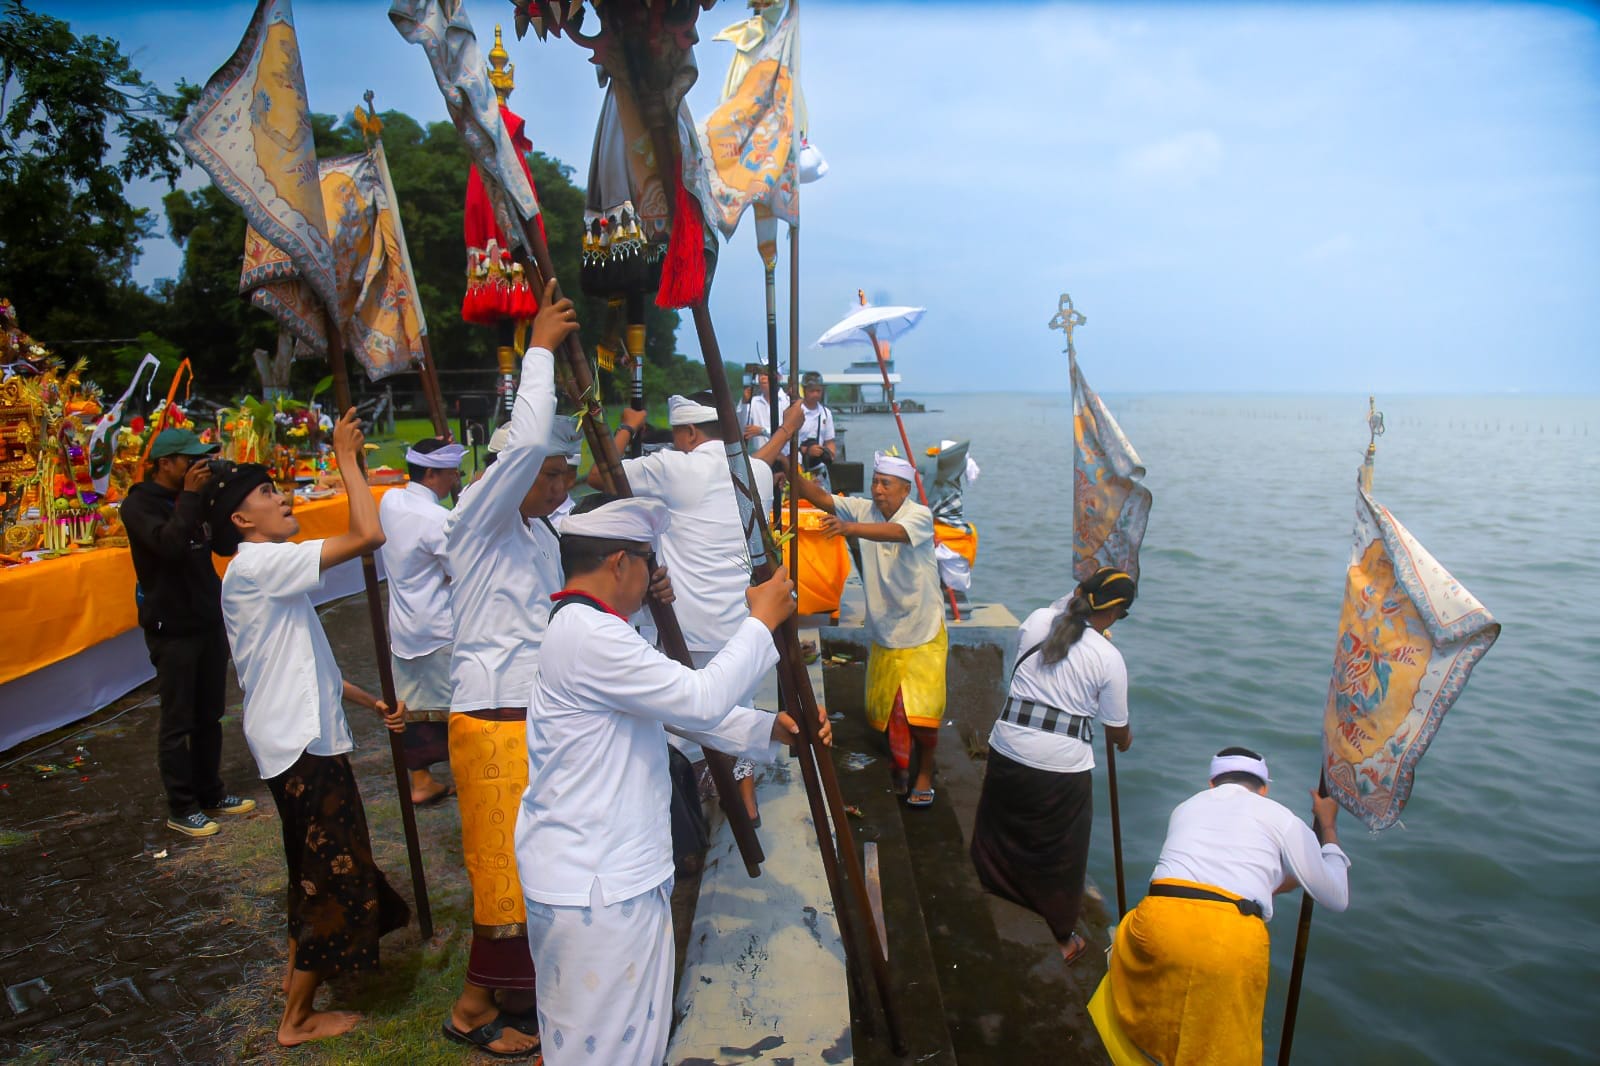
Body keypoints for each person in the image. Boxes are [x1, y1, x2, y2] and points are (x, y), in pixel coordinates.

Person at [516, 495, 827, 1066]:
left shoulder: (590, 628)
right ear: (619, 563)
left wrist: (766, 729)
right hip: (598, 881)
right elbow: (699, 695)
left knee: (617, 1039)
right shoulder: (591, 635)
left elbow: (673, 707)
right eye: (648, 562)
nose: (654, 579)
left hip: (603, 871)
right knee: (608, 1048)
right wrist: (761, 620)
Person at [201, 410, 410, 1048]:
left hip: (294, 737)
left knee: (311, 868)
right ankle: (296, 1018)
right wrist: (347, 459)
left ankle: (296, 979)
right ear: (241, 519)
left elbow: (302, 659)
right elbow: (369, 534)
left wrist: (368, 700)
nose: (283, 498)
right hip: (299, 745)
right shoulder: (260, 564)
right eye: (267, 493)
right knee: (330, 874)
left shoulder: (263, 572)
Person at [437, 280, 578, 1058]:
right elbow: (523, 443)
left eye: (565, 476)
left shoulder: (541, 536)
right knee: (501, 871)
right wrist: (539, 353)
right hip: (491, 715)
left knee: (529, 866)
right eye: (550, 475)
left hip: (532, 713)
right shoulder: (479, 522)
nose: (560, 487)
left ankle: (516, 993)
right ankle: (470, 1007)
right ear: (508, 476)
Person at [594, 392, 801, 823]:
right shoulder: (757, 474)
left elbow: (599, 475)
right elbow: (757, 460)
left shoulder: (674, 468)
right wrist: (786, 431)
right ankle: (742, 798)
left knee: (684, 724)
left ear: (689, 433)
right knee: (735, 711)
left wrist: (628, 426)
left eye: (676, 436)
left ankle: (689, 812)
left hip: (689, 627)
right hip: (749, 623)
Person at [1089, 748, 1352, 1066]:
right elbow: (1336, 896)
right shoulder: (1282, 817)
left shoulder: (1185, 807)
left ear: (1212, 783)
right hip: (1229, 939)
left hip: (1158, 918)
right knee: (1223, 1049)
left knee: (1150, 1021)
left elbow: (1221, 876)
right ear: (1264, 789)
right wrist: (1328, 828)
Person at [970, 567, 1136, 965]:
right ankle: (1062, 938)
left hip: (1007, 746)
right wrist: (1126, 741)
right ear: (1113, 614)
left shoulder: (1037, 621)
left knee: (1003, 821)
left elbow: (1062, 614)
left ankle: (995, 883)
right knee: (1060, 850)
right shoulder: (1108, 657)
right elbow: (1117, 733)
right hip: (1060, 767)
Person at [122, 426, 255, 837]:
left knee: (210, 715)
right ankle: (182, 807)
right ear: (165, 464)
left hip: (207, 619)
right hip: (172, 628)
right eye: (190, 460)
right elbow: (170, 546)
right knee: (178, 722)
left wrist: (227, 497)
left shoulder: (192, 498)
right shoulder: (139, 505)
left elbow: (223, 547)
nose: (198, 466)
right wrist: (193, 498)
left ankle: (211, 791)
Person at [793, 450, 947, 806]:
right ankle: (899, 767)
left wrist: (849, 529)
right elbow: (821, 498)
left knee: (922, 712)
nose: (878, 490)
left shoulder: (919, 515)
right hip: (886, 628)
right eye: (875, 482)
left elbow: (894, 533)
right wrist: (791, 474)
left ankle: (923, 771)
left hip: (923, 627)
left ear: (904, 489)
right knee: (887, 710)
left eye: (886, 484)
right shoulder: (864, 509)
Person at [378, 437, 464, 807]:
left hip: (402, 623)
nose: (455, 479)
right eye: (450, 473)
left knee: (410, 706)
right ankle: (465, 773)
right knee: (458, 705)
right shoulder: (438, 519)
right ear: (431, 474)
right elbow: (462, 571)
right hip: (439, 625)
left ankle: (422, 779)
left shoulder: (390, 501)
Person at [797, 370, 836, 492]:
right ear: (804, 390)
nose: (815, 394)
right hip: (797, 468)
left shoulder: (826, 413)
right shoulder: (795, 411)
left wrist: (829, 454)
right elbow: (786, 443)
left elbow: (830, 441)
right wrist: (807, 450)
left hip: (818, 470)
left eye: (818, 391)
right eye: (811, 391)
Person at [743, 370, 790, 453]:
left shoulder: (788, 401)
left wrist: (762, 431)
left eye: (767, 374)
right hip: (760, 459)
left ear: (779, 377)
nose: (762, 378)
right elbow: (742, 428)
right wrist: (744, 403)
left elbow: (788, 430)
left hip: (784, 458)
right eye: (760, 374)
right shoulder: (753, 401)